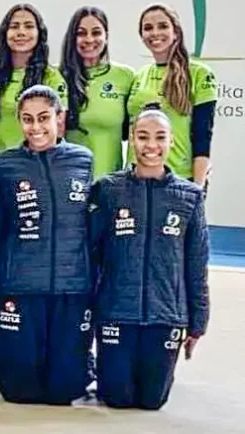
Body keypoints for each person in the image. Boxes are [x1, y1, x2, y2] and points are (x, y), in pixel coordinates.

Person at [88, 104, 210, 411]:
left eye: (160, 137)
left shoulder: (190, 197)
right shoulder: (108, 190)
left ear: (171, 141)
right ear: (132, 139)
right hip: (117, 313)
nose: (151, 145)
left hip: (166, 316)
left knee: (152, 401)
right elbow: (90, 255)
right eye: (143, 137)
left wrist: (197, 322)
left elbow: (196, 264)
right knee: (117, 399)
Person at [0, 85, 95, 405]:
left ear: (59, 118)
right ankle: (1, 361)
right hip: (21, 286)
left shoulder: (82, 159)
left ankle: (81, 363)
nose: (36, 127)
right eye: (27, 119)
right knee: (19, 392)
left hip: (71, 287)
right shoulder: (3, 165)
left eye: (43, 118)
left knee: (65, 392)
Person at [127, 4, 217, 188]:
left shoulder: (199, 73)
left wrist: (197, 188)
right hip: (136, 179)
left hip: (179, 180)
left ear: (176, 32)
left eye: (163, 26)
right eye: (148, 28)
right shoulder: (139, 75)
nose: (155, 33)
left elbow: (203, 136)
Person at [0, 4, 67, 161]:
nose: (21, 32)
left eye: (29, 26)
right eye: (14, 26)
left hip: (30, 166)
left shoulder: (51, 78)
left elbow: (59, 130)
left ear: (39, 33)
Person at [61, 7, 136, 177]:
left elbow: (134, 132)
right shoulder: (57, 77)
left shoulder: (126, 76)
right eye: (81, 33)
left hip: (112, 183)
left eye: (96, 33)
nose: (89, 39)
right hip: (68, 182)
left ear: (106, 36)